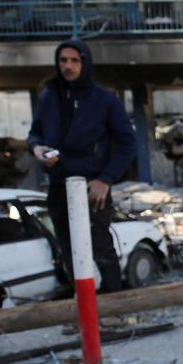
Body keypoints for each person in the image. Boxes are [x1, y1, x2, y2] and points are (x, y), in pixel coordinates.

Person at [26, 40, 137, 292]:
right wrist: (37, 149)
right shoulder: (49, 97)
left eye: (74, 61)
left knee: (101, 248)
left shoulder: (105, 100)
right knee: (68, 250)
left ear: (85, 63)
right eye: (63, 60)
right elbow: (35, 133)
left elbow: (128, 145)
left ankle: (113, 310)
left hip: (91, 187)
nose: (68, 66)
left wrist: (106, 179)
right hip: (58, 184)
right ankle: (83, 310)